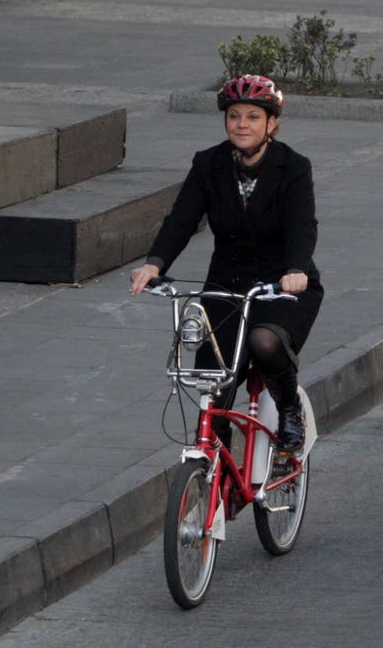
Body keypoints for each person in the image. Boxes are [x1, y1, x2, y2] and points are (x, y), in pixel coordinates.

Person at [131, 76, 323, 456]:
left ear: (272, 124)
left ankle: (288, 410)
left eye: (253, 116)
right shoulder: (209, 164)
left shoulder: (294, 167)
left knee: (264, 342)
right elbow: (181, 219)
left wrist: (297, 268)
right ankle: (214, 472)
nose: (242, 124)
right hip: (226, 286)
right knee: (210, 381)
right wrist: (155, 264)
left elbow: (304, 224)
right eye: (234, 116)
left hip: (281, 285)